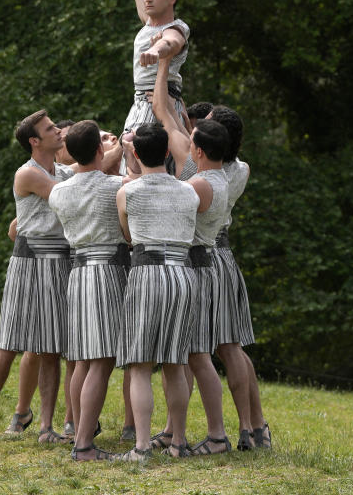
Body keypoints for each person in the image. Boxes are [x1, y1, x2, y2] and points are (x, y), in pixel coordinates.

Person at [146, 58, 231, 455]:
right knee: (192, 356)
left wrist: (140, 174)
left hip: (194, 268)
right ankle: (177, 431)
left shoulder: (196, 185)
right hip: (202, 265)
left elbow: (168, 196)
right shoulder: (218, 176)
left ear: (198, 148)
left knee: (197, 357)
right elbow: (166, 116)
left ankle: (215, 435)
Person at [0, 110, 73, 448]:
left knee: (51, 348)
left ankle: (46, 426)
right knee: (9, 344)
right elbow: (68, 196)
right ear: (35, 141)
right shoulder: (26, 175)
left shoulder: (63, 170)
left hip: (58, 263)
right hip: (28, 263)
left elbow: (88, 172)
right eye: (50, 129)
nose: (58, 131)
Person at [114, 123, 198, 461]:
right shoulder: (189, 191)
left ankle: (143, 446)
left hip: (146, 273)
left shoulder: (127, 193)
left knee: (140, 365)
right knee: (176, 363)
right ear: (167, 152)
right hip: (182, 274)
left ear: (135, 154)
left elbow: (128, 236)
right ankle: (179, 442)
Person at [48, 120, 130, 461]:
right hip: (107, 272)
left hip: (77, 275)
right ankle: (84, 445)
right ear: (100, 149)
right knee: (102, 360)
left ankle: (78, 429)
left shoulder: (57, 191)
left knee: (82, 359)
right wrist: (127, 148)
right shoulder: (116, 186)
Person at [209, 105, 271, 449]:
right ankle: (253, 427)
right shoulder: (241, 169)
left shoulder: (201, 171)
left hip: (207, 255)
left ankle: (245, 428)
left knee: (221, 347)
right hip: (225, 254)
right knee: (231, 347)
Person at [119, 0, 190, 175]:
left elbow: (169, 42)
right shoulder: (148, 20)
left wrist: (155, 51)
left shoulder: (177, 27)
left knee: (138, 158)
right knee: (128, 160)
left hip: (159, 101)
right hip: (140, 101)